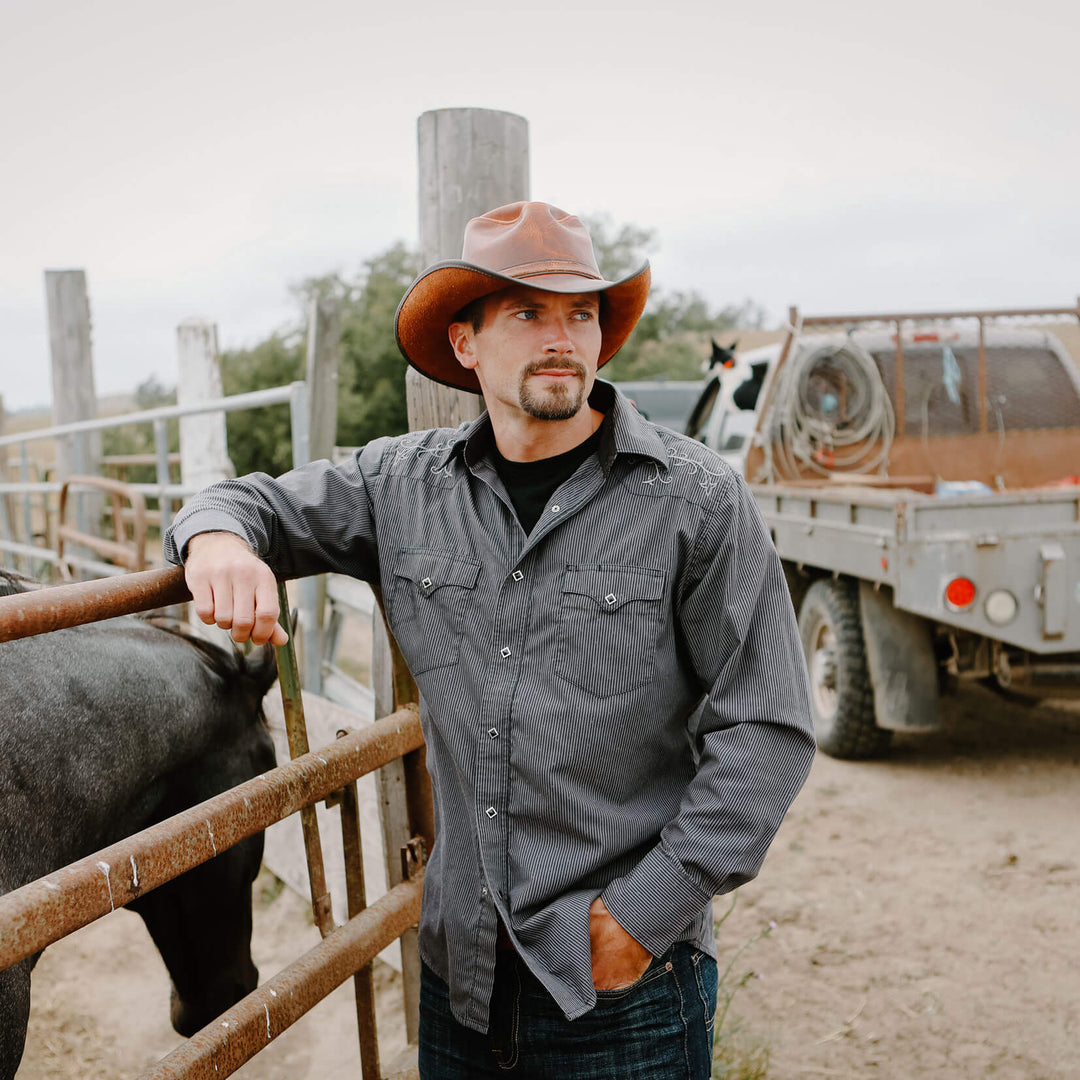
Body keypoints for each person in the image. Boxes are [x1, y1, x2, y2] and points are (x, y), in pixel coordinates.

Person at [164, 200, 815, 1079]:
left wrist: (644, 914)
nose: (562, 337)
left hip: (624, 987)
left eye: (580, 313)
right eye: (527, 313)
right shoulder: (400, 485)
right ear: (465, 344)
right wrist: (216, 542)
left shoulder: (695, 500)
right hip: (459, 980)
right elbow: (248, 502)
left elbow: (767, 728)